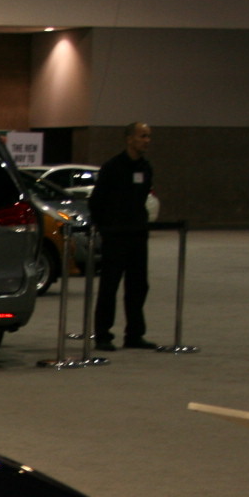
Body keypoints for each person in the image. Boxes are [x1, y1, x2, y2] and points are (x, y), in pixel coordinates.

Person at [88, 121, 155, 351]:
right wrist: (106, 226)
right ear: (129, 139)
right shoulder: (113, 167)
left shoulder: (146, 168)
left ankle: (134, 334)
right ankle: (103, 335)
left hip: (138, 235)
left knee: (138, 286)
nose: (146, 140)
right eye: (142, 136)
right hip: (116, 236)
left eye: (148, 136)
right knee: (110, 286)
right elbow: (96, 201)